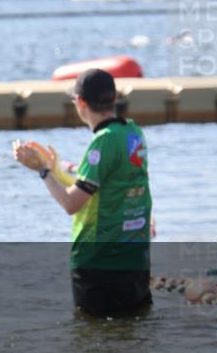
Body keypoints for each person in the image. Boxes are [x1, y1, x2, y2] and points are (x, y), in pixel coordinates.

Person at [14, 68, 153, 318]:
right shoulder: (133, 133)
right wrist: (55, 169)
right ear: (113, 98)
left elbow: (71, 203)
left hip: (100, 264)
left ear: (80, 102)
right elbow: (101, 189)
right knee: (134, 337)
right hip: (135, 259)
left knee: (93, 340)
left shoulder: (103, 141)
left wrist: (43, 172)